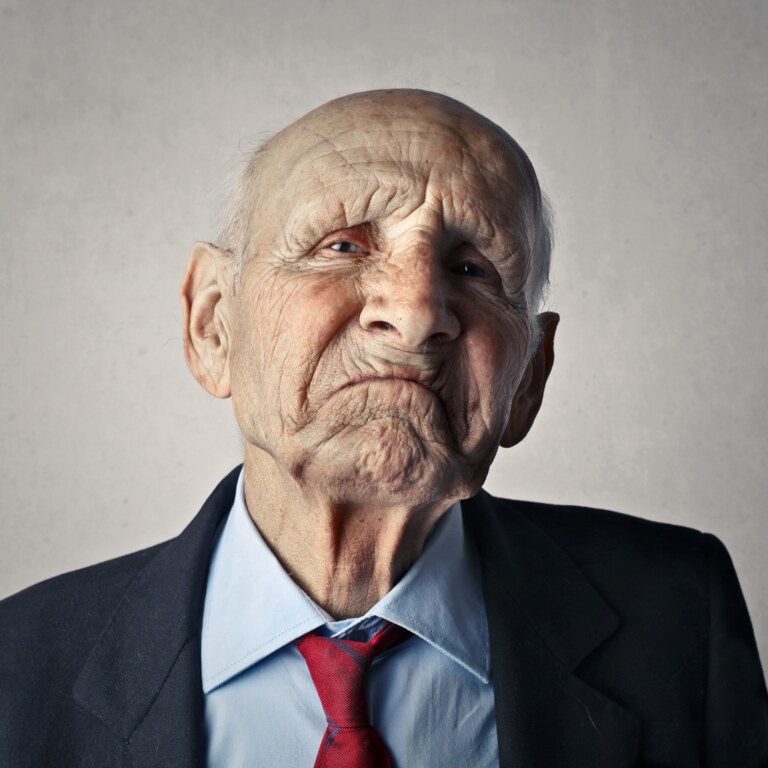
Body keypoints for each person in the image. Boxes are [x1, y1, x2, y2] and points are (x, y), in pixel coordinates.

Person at [1, 89, 766, 768]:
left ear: (528, 377)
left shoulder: (679, 618)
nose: (415, 312)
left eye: (473, 269)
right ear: (213, 327)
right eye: (342, 246)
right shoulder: (19, 661)